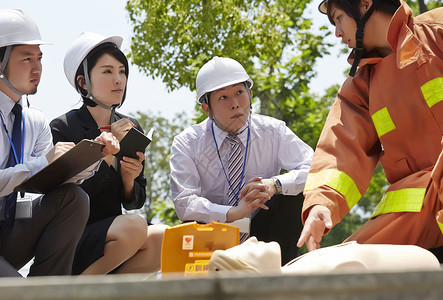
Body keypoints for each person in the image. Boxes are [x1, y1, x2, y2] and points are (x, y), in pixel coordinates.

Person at [297, 0, 443, 261]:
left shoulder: (442, 29)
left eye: (338, 18)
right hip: (420, 216)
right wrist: (321, 203)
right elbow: (340, 149)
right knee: (338, 266)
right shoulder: (361, 86)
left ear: (365, 3)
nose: (336, 32)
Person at [0, 9, 119, 277]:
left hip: (9, 231)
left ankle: (49, 289)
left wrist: (93, 154)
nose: (37, 67)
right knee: (22, 297)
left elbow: (50, 180)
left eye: (39, 58)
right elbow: (38, 167)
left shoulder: (35, 120)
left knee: (73, 197)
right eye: (26, 58)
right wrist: (44, 161)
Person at [170, 56, 314, 264]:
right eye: (223, 98)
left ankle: (281, 274)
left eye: (239, 93)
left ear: (250, 94)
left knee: (294, 193)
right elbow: (184, 202)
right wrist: (233, 212)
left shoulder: (273, 131)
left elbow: (315, 168)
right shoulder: (188, 142)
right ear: (206, 109)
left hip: (263, 233)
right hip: (212, 234)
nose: (235, 104)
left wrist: (274, 184)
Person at [50, 32, 167, 275]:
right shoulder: (62, 127)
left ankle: (103, 291)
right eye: (107, 71)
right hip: (74, 237)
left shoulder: (131, 126)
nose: (118, 80)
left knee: (164, 238)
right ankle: (76, 292)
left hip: (119, 239)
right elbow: (68, 197)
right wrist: (107, 155)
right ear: (83, 82)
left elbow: (135, 201)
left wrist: (128, 180)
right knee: (134, 227)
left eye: (122, 71)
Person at [208, 237, 440, 274]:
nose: (251, 239)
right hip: (427, 276)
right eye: (246, 251)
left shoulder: (292, 269)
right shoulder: (310, 285)